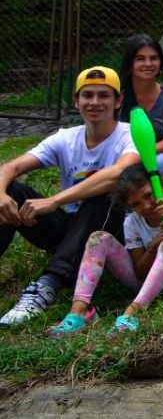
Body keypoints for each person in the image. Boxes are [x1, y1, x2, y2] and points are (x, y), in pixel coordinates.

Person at [0, 67, 141, 326]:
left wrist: (54, 200)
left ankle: (47, 285)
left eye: (104, 95)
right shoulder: (66, 138)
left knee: (108, 194)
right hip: (70, 228)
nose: (95, 102)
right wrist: (0, 194)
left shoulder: (131, 133)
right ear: (76, 101)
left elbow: (118, 173)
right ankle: (63, 258)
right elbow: (10, 167)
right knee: (10, 191)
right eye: (87, 95)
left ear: (118, 101)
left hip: (113, 232)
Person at [47, 163, 163, 336]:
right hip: (143, 282)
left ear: (161, 184)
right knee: (98, 239)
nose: (146, 206)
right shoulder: (132, 221)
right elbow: (140, 272)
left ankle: (132, 313)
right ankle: (79, 312)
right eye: (136, 204)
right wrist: (152, 248)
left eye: (148, 195)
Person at [118, 34, 163, 194]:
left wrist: (138, 156)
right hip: (118, 164)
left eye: (153, 58)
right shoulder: (116, 98)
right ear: (130, 63)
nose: (148, 64)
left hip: (153, 163)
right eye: (140, 59)